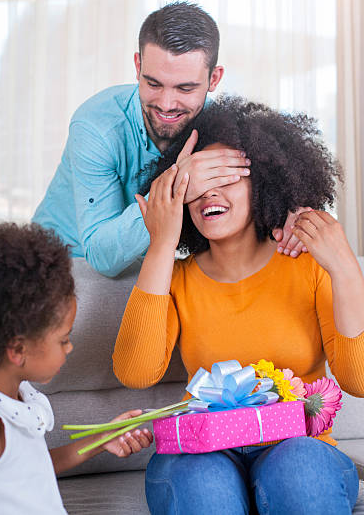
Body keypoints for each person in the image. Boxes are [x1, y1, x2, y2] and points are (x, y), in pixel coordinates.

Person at [113, 97, 364, 514]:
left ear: (263, 183)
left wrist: (347, 272)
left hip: (299, 448)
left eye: (226, 177)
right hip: (203, 451)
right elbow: (135, 373)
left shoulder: (309, 267)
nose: (209, 192)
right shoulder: (174, 280)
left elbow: (359, 382)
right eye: (195, 182)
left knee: (300, 471)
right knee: (201, 483)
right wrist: (161, 243)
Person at [33, 2, 304, 277]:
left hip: (146, 262)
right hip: (64, 264)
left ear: (214, 78)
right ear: (138, 66)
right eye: (153, 84)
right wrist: (177, 186)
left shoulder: (221, 126)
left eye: (185, 88)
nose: (166, 104)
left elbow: (274, 179)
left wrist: (294, 212)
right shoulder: (96, 127)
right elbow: (102, 257)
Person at [0, 223, 152, 514]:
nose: (70, 347)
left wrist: (102, 438)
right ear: (18, 350)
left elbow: (32, 469)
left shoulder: (17, 395)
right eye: (63, 339)